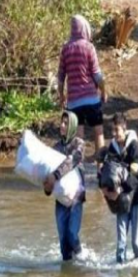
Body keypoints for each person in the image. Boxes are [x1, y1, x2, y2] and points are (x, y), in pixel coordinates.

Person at [98, 113, 138, 264]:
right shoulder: (112, 150)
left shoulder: (135, 147)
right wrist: (105, 190)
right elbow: (105, 174)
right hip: (121, 201)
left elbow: (135, 177)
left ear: (124, 129)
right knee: (121, 245)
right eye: (112, 130)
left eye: (117, 130)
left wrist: (120, 190)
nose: (114, 134)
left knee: (136, 244)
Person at [58, 15, 108, 155]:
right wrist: (104, 91)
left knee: (78, 137)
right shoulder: (89, 47)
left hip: (74, 102)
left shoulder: (65, 49)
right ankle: (101, 168)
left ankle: (79, 170)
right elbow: (97, 75)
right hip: (92, 99)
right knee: (98, 132)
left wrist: (61, 97)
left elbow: (61, 77)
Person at [43, 111, 85, 262]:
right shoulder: (55, 148)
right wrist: (47, 188)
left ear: (72, 126)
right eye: (61, 122)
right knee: (63, 244)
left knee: (72, 234)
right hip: (60, 200)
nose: (62, 125)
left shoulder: (79, 144)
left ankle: (81, 256)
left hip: (76, 199)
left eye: (66, 123)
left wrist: (55, 176)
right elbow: (47, 173)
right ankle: (67, 275)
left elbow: (71, 161)